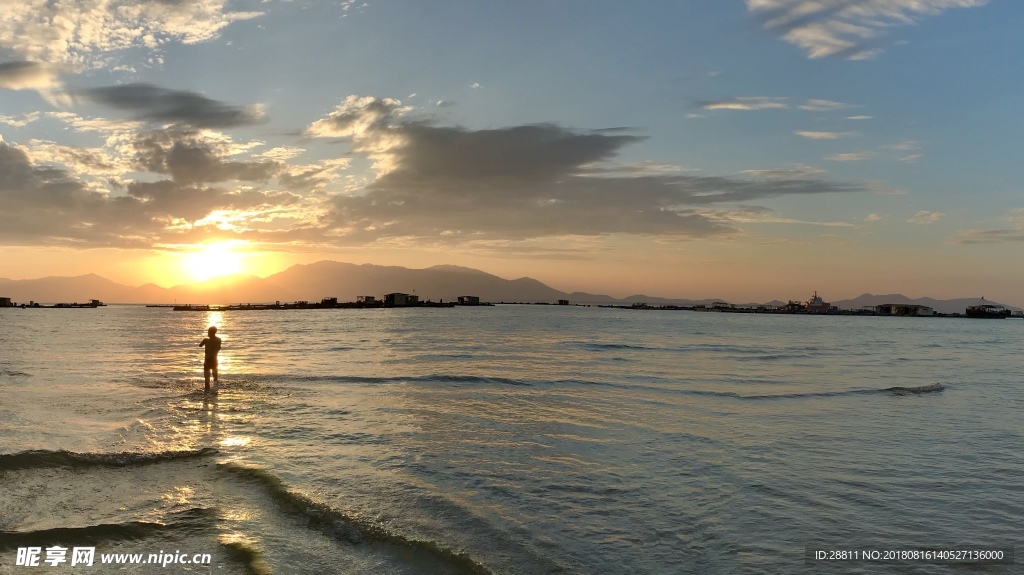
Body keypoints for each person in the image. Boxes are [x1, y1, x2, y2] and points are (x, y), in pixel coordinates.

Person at [199, 326, 222, 393]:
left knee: (207, 377)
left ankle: (207, 390)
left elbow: (200, 345)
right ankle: (215, 391)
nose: (207, 333)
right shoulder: (219, 339)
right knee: (215, 376)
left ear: (210, 332)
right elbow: (219, 348)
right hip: (215, 359)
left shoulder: (206, 340)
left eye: (208, 331)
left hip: (207, 359)